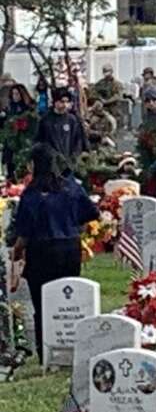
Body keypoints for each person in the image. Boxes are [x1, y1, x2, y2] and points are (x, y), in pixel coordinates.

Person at [8, 144, 99, 363]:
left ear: (34, 165)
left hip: (42, 252)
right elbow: (91, 213)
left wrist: (16, 254)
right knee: (69, 301)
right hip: (69, 249)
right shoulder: (71, 187)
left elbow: (24, 234)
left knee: (42, 305)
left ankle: (45, 353)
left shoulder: (31, 194)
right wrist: (73, 228)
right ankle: (72, 346)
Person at [34, 87, 87, 162]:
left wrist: (75, 156)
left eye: (67, 102)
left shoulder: (72, 120)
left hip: (69, 162)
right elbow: (39, 141)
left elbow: (78, 140)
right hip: (51, 163)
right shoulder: (45, 120)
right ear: (55, 102)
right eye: (62, 102)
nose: (65, 105)